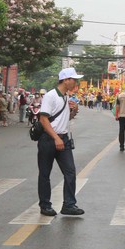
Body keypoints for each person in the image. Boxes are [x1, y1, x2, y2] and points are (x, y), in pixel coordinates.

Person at [37, 68, 84, 217]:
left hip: (63, 138)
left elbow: (63, 119)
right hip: (49, 139)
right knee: (45, 173)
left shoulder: (66, 97)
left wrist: (74, 111)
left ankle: (69, 205)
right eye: (74, 80)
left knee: (70, 171)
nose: (75, 83)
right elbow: (43, 119)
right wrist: (56, 138)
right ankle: (45, 205)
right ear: (65, 80)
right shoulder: (50, 96)